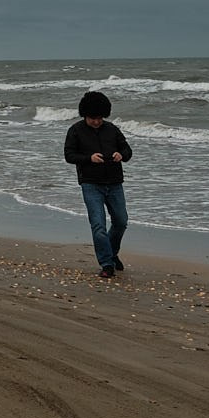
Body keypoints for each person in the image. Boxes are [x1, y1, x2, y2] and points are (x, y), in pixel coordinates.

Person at [63, 90, 132, 279]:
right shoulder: (75, 131)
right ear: (85, 114)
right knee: (98, 226)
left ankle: (111, 252)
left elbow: (127, 150)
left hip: (115, 183)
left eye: (100, 118)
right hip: (91, 184)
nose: (96, 121)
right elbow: (69, 155)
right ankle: (107, 264)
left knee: (121, 222)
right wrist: (89, 158)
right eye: (93, 118)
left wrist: (122, 155)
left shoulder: (112, 129)